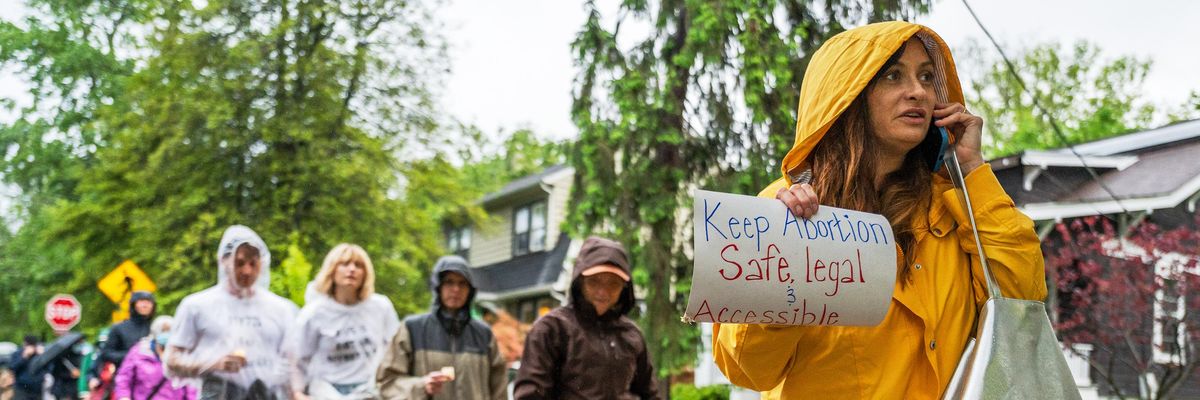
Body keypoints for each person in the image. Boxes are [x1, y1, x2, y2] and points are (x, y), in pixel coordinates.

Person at [711, 21, 1047, 399]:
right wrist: (790, 265)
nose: (918, 91)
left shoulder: (958, 204)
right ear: (846, 94)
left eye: (926, 77)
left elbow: (1022, 300)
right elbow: (748, 369)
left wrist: (971, 169)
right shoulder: (785, 209)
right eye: (892, 75)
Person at [512, 236, 661, 400]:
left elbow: (650, 394)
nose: (603, 292)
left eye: (613, 283)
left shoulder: (631, 335)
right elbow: (531, 394)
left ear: (624, 289)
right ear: (580, 282)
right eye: (594, 281)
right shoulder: (552, 329)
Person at [164, 225, 299, 400]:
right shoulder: (196, 306)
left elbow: (294, 362)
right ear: (223, 261)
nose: (247, 271)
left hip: (268, 394)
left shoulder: (281, 308)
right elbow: (171, 361)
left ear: (263, 263)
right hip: (218, 393)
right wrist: (213, 364)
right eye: (239, 262)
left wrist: (295, 392)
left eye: (253, 263)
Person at [376, 256, 505, 400]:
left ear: (470, 290)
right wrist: (422, 386)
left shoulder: (484, 334)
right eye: (449, 282)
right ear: (438, 287)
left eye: (462, 283)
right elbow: (387, 382)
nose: (456, 289)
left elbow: (499, 389)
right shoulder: (412, 329)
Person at [288, 244, 400, 400]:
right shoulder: (314, 312)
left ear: (366, 273)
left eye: (358, 265)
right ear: (332, 270)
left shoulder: (380, 307)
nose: (352, 269)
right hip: (326, 391)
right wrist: (298, 393)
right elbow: (298, 357)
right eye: (345, 264)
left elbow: (395, 350)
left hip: (369, 390)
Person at [114, 316, 196, 400]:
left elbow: (190, 386)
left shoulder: (182, 354)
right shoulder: (139, 352)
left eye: (169, 331)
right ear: (155, 333)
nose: (166, 335)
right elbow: (124, 378)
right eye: (163, 331)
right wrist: (124, 397)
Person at [102, 292, 157, 371]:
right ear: (133, 305)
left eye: (149, 302)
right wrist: (132, 355)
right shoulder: (119, 328)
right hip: (126, 375)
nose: (145, 305)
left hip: (153, 377)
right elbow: (106, 354)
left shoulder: (156, 327)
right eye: (141, 301)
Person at [9, 336, 45, 400]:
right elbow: (12, 367)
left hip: (37, 389)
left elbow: (48, 368)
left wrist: (42, 356)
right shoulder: (18, 353)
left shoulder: (39, 354)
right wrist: (24, 357)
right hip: (21, 388)